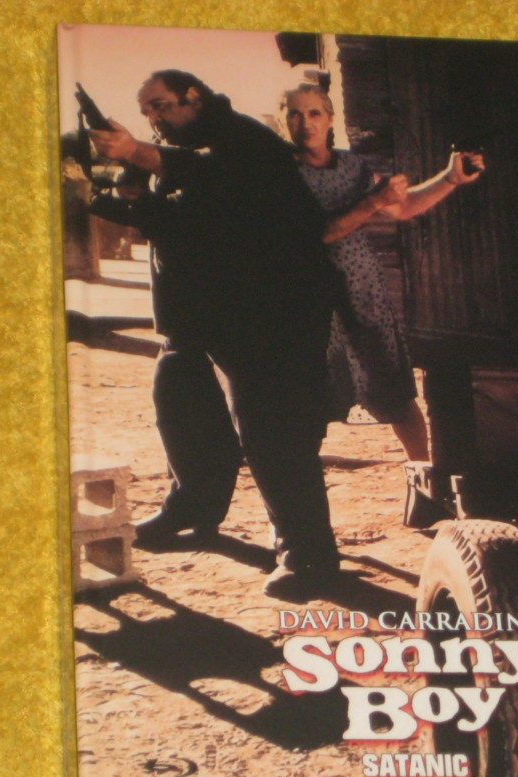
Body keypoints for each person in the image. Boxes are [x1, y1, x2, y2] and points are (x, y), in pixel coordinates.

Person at [87, 71, 347, 598]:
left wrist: (135, 152)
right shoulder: (178, 151)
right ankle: (192, 508)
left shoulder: (244, 139)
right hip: (195, 317)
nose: (153, 118)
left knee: (273, 434)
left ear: (195, 98)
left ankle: (308, 554)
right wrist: (121, 196)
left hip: (265, 317)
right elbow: (182, 220)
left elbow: (212, 177)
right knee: (181, 406)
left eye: (161, 105)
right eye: (146, 111)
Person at [282, 83, 485, 461]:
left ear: (330, 120)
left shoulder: (353, 167)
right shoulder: (277, 173)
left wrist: (450, 178)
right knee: (310, 403)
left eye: (314, 113)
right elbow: (319, 234)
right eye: (295, 114)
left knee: (396, 394)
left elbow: (402, 207)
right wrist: (374, 201)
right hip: (309, 302)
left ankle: (423, 477)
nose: (305, 122)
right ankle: (301, 487)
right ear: (284, 121)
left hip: (363, 293)